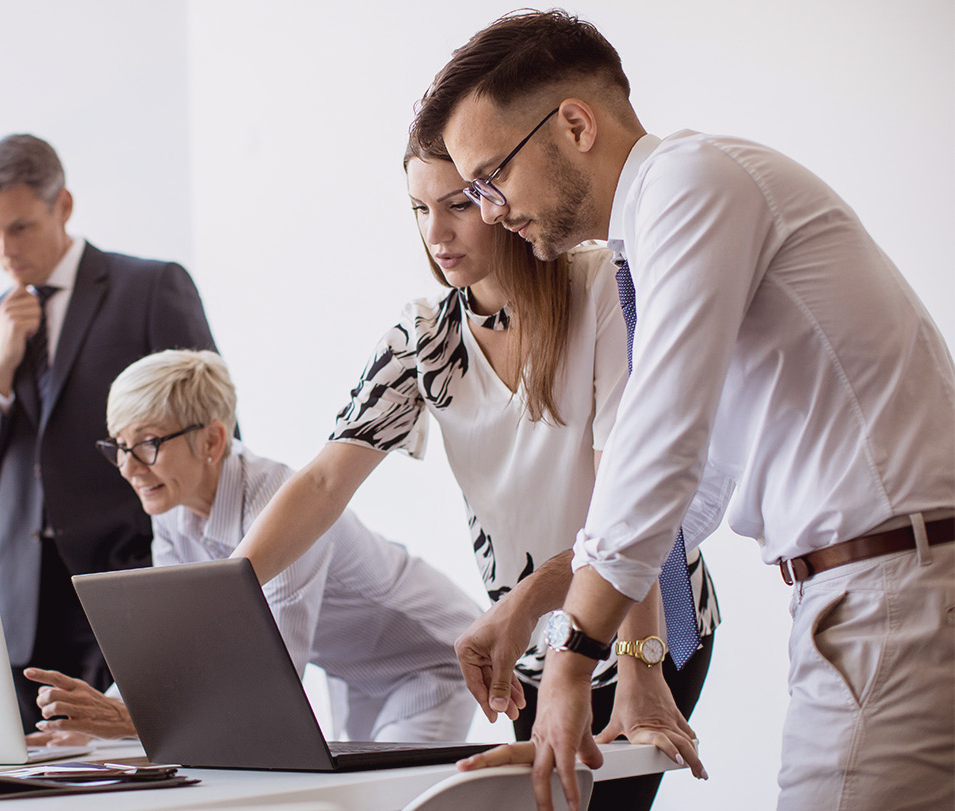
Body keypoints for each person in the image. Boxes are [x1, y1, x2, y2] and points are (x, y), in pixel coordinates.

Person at [409, 9, 955, 810]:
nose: (488, 212)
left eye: (491, 178)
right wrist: (539, 601)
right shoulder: (664, 228)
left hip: (891, 590)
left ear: (573, 124)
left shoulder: (689, 184)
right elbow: (687, 495)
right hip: (871, 590)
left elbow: (657, 444)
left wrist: (570, 661)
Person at [230, 140, 717, 810]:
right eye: (419, 209)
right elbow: (324, 483)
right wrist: (225, 593)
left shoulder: (601, 286)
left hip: (642, 615)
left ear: (500, 198)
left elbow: (627, 499)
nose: (437, 233)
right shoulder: (424, 336)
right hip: (529, 642)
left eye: (457, 204)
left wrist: (640, 660)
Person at [27, 349, 481, 744]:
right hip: (356, 674)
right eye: (119, 446)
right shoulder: (170, 508)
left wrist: (131, 721)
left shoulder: (279, 507)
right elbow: (172, 640)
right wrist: (93, 719)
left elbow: (268, 685)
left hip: (430, 659)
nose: (129, 468)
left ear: (212, 440)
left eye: (146, 444)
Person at [0, 134, 222, 731]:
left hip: (132, 580)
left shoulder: (149, 288)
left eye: (18, 228)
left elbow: (213, 434)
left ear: (63, 206)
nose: (4, 250)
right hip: (24, 610)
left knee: (140, 766)